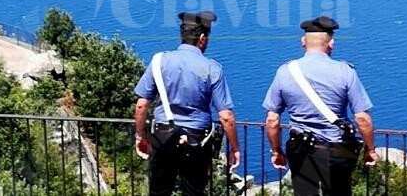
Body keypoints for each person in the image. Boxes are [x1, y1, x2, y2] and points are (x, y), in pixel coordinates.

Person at [262, 16, 378, 196]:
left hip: (300, 148)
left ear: (303, 42)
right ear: (331, 43)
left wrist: (276, 150)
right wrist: (370, 149)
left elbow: (272, 120)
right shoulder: (345, 72)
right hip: (338, 149)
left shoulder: (285, 72)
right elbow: (362, 118)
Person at [133, 11, 241, 196]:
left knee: (159, 191)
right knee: (194, 192)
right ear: (202, 38)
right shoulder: (211, 68)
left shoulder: (159, 61)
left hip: (162, 135)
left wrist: (140, 135)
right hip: (197, 139)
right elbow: (226, 116)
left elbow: (142, 104)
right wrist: (235, 148)